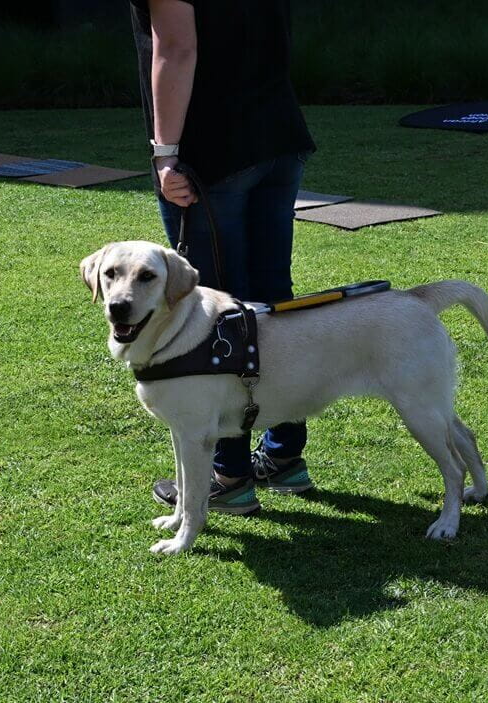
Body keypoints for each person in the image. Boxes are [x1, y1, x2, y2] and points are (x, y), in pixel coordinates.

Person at [128, 0, 317, 515]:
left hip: (214, 152)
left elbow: (177, 48)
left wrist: (165, 153)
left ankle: (229, 475)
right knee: (273, 304)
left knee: (213, 312)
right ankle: (283, 457)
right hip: (278, 133)